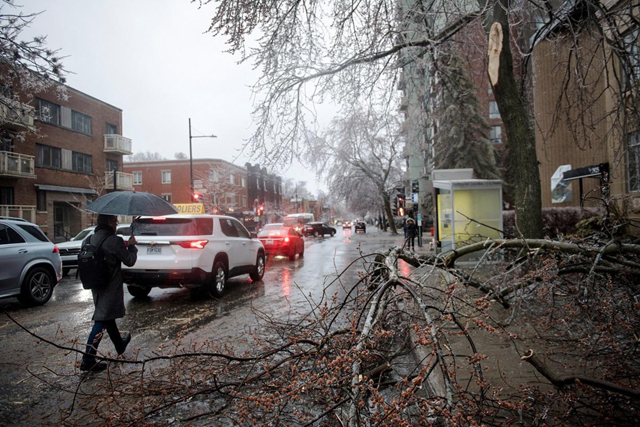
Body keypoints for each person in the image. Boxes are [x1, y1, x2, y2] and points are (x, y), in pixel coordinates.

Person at [80, 214, 138, 372]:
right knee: (101, 319)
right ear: (109, 223)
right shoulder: (115, 240)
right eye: (115, 221)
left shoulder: (89, 239)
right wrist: (132, 246)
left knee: (106, 316)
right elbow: (130, 260)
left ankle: (119, 345)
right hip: (110, 286)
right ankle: (88, 359)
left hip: (95, 285)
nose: (116, 224)